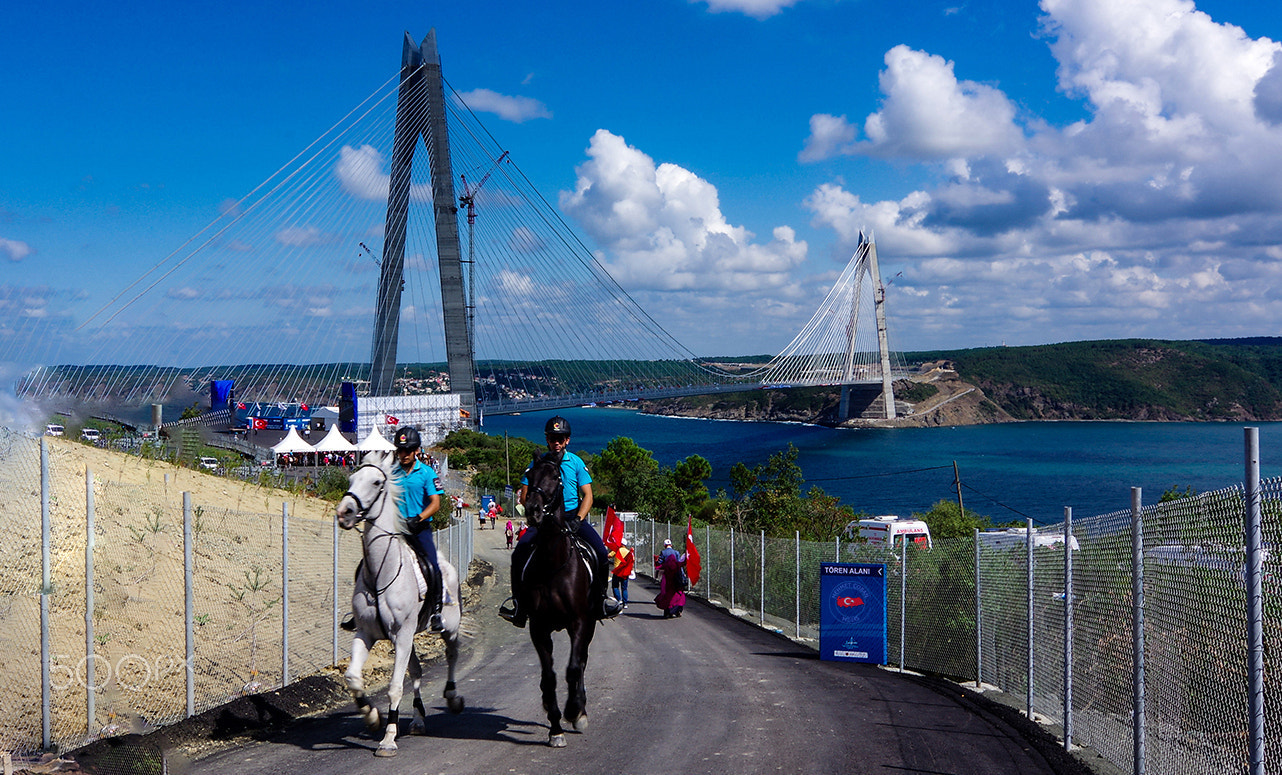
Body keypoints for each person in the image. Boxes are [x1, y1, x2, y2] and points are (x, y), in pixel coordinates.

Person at [500, 415, 624, 626]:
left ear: (567, 440)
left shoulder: (576, 462)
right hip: (544, 522)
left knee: (602, 553)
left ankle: (601, 599)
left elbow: (588, 496)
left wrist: (578, 519)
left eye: (560, 438)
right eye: (552, 438)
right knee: (520, 553)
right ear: (547, 440)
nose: (555, 442)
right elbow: (524, 494)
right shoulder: (537, 463)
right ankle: (519, 605)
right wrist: (534, 512)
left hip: (573, 519)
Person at [389, 427, 447, 631]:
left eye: (408, 450)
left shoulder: (427, 472)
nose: (403, 454)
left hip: (418, 529)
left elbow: (435, 503)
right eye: (400, 450)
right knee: (369, 563)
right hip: (395, 529)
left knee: (432, 566)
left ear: (416, 451)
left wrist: (419, 518)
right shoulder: (392, 472)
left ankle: (437, 611)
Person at [655, 538, 688, 619]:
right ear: (671, 545)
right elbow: (680, 563)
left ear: (664, 545)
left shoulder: (663, 553)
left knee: (667, 595)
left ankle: (667, 612)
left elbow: (659, 564)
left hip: (667, 580)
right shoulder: (676, 553)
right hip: (676, 578)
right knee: (679, 595)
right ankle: (678, 610)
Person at [610, 542, 635, 607]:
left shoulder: (617, 550)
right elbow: (632, 560)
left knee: (615, 586)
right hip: (625, 572)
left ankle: (618, 600)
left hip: (617, 571)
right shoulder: (628, 552)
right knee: (624, 588)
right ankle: (625, 603)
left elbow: (609, 555)